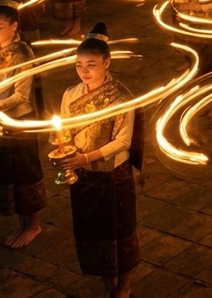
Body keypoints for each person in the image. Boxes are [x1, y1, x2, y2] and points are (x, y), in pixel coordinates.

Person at [52, 24, 141, 297]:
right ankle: (107, 284)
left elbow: (123, 142)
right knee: (93, 232)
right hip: (82, 175)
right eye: (79, 65)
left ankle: (123, 286)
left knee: (120, 232)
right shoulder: (71, 94)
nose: (84, 71)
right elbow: (63, 129)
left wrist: (86, 157)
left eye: (91, 65)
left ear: (107, 62)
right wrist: (63, 150)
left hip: (112, 174)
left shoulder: (121, 97)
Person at [0, 2, 45, 249]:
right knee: (5, 172)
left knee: (24, 171)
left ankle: (33, 225)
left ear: (14, 27)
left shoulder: (23, 54)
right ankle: (21, 223)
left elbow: (21, 96)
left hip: (19, 120)